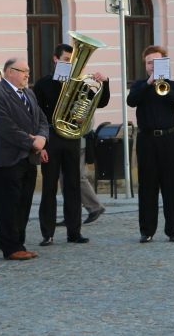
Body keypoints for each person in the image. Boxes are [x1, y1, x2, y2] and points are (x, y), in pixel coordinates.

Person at [33, 43, 109, 246]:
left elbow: (99, 102)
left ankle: (74, 232)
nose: (70, 63)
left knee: (73, 186)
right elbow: (36, 114)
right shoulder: (43, 84)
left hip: (71, 138)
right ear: (56, 60)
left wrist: (105, 83)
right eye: (66, 59)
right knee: (49, 187)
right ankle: (47, 233)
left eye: (72, 60)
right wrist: (39, 144)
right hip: (50, 137)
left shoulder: (80, 84)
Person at [0, 58, 48, 260]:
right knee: (8, 205)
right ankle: (10, 247)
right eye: (23, 71)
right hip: (8, 157)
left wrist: (42, 138)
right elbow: (5, 127)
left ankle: (19, 242)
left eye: (28, 71)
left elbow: (42, 120)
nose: (27, 75)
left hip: (29, 158)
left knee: (24, 203)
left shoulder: (29, 92)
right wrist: (31, 142)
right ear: (9, 72)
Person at [127, 45, 174, 243]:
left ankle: (173, 229)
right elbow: (131, 101)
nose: (152, 66)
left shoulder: (172, 84)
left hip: (168, 139)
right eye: (149, 63)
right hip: (146, 140)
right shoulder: (139, 85)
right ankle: (147, 230)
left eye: (157, 62)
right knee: (147, 186)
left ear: (164, 63)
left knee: (171, 185)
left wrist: (167, 88)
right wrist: (149, 83)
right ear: (144, 65)